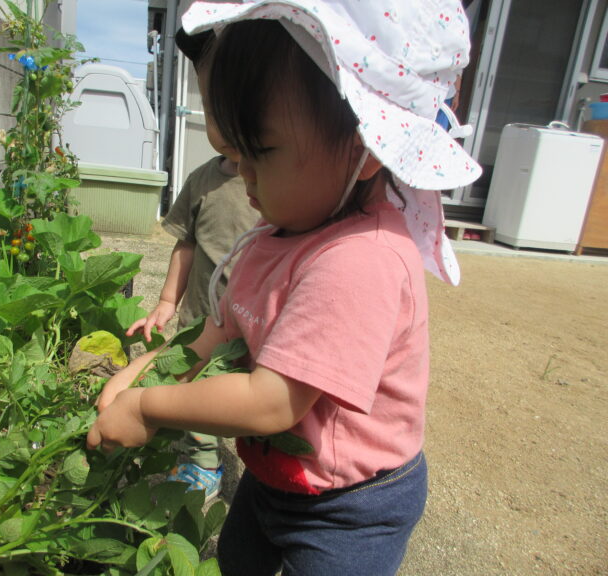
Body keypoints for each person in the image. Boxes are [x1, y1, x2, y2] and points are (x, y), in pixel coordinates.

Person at [88, 1, 480, 574]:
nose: (241, 173)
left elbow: (271, 401)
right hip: (277, 473)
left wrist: (149, 406)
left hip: (350, 507)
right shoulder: (277, 231)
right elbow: (216, 337)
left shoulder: (359, 260)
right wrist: (141, 372)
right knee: (237, 562)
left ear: (365, 146)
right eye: (234, 154)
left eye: (260, 151)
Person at [126, 29, 259, 500]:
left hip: (253, 321)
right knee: (194, 381)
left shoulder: (278, 184)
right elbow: (186, 244)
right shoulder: (202, 180)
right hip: (203, 314)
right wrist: (167, 301)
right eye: (212, 108)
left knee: (245, 395)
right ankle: (201, 461)